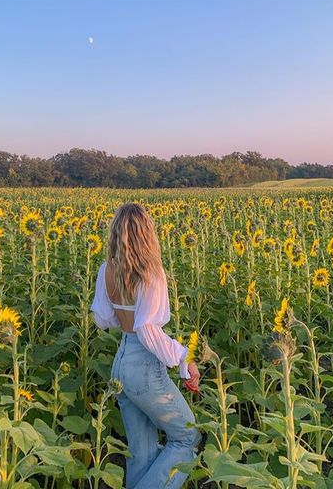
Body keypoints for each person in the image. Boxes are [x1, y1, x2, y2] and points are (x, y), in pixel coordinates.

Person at [90, 202, 202, 489]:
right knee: (186, 437)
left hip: (121, 363)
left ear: (116, 233)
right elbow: (149, 330)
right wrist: (183, 358)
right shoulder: (151, 273)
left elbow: (103, 319)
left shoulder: (107, 270)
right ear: (147, 234)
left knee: (141, 452)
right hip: (144, 367)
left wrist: (126, 315)